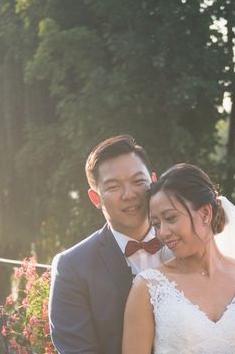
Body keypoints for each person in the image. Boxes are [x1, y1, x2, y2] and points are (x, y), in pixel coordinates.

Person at [122, 163, 235, 354]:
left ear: (205, 213)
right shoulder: (148, 287)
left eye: (171, 218)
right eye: (157, 224)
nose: (163, 233)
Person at [49, 135, 172, 354]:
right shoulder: (72, 267)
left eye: (138, 181)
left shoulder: (185, 246)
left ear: (153, 181)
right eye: (114, 187)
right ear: (96, 198)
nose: (129, 194)